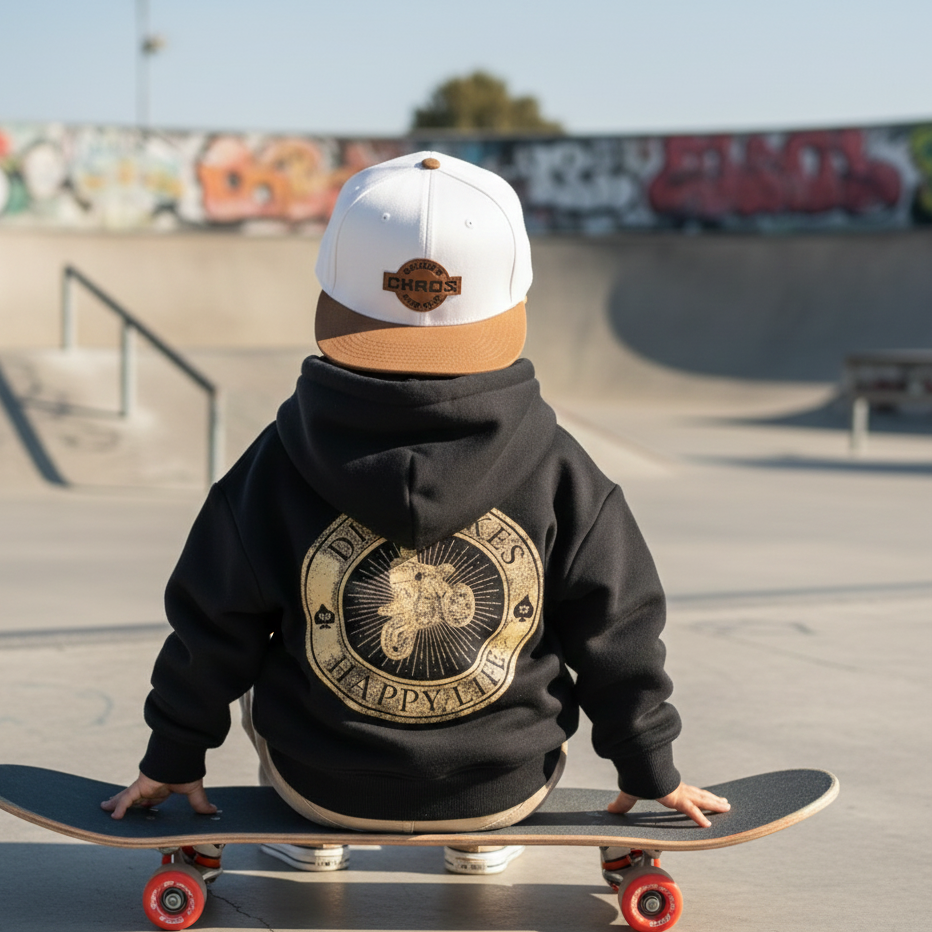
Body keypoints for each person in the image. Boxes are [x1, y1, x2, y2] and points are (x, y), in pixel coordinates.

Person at [102, 151, 729, 875]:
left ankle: (313, 836)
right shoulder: (558, 464)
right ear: (508, 299)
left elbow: (212, 629)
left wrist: (174, 756)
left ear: (338, 292)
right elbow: (616, 630)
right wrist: (648, 768)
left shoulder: (274, 462)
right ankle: (476, 836)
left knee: (268, 641)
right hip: (503, 785)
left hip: (319, 782)